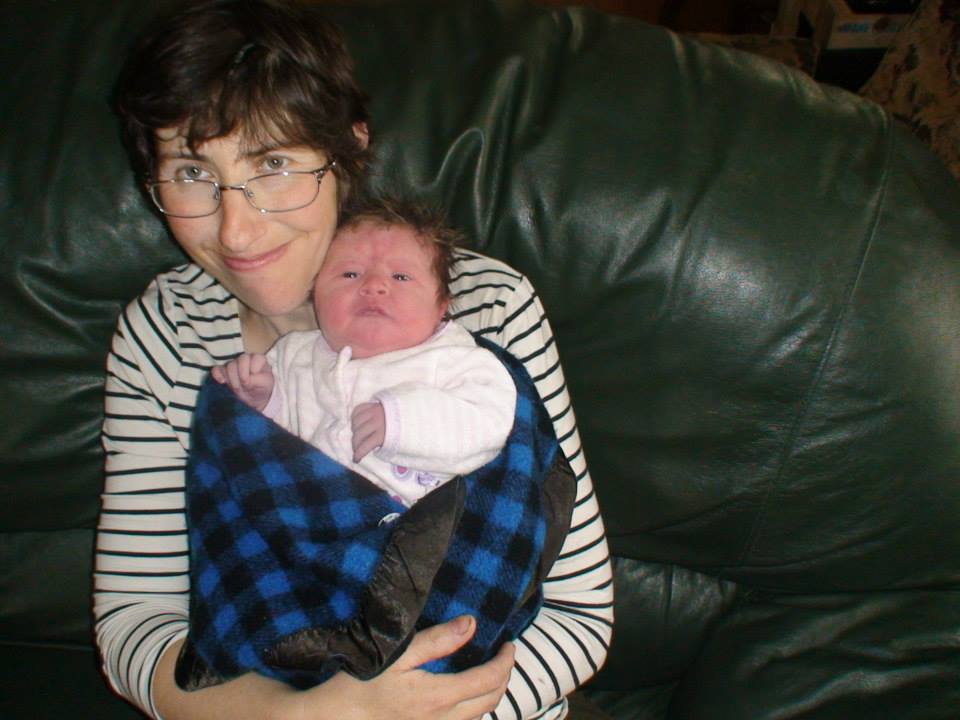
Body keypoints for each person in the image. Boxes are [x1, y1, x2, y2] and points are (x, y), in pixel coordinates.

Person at [94, 1, 613, 719]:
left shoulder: (483, 307)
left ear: (348, 152)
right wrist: (303, 716)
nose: (236, 229)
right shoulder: (167, 332)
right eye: (190, 171)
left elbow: (579, 619)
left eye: (273, 163)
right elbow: (134, 630)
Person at [212, 198, 518, 508]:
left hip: (419, 532)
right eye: (350, 274)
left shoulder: (457, 359)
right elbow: (278, 444)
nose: (374, 286)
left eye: (401, 277)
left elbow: (491, 423)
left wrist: (401, 422)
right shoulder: (293, 356)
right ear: (314, 294)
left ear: (441, 307)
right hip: (312, 515)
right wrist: (264, 400)